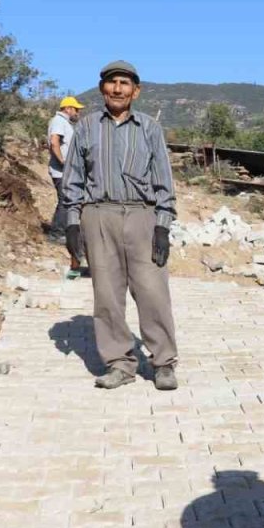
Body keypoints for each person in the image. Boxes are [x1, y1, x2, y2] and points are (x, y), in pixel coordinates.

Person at [62, 60, 179, 391]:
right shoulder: (85, 128)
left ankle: (163, 363)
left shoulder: (150, 129)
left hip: (143, 216)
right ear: (102, 89)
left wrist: (162, 226)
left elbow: (164, 182)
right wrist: (72, 224)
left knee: (153, 292)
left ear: (136, 91)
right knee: (107, 294)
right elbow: (72, 178)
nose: (117, 88)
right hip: (98, 215)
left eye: (125, 83)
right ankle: (119, 363)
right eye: (112, 82)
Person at [49, 96, 86, 278]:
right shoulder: (58, 121)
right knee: (65, 200)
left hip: (65, 171)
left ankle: (59, 231)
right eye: (76, 109)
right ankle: (56, 233)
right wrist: (63, 162)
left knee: (65, 200)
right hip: (61, 172)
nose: (77, 113)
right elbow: (54, 141)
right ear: (68, 108)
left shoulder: (64, 123)